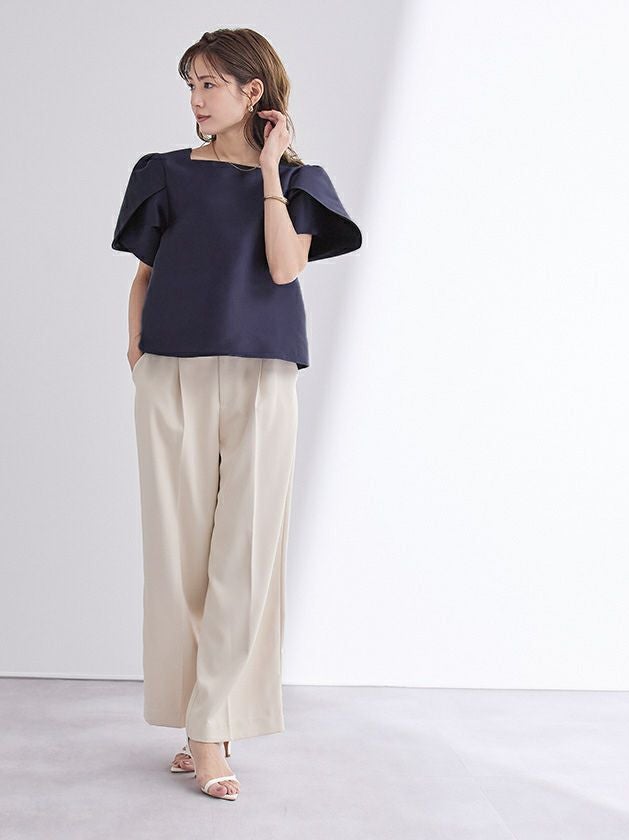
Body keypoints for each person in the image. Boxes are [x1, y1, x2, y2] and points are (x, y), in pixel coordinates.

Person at [111, 27, 362, 801]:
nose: (195, 99)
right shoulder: (163, 173)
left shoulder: (300, 180)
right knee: (179, 558)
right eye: (191, 84)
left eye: (210, 83)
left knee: (246, 556)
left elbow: (285, 267)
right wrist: (137, 350)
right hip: (173, 373)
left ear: (254, 92)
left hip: (262, 375)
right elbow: (146, 276)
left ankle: (212, 725)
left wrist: (269, 169)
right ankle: (201, 727)